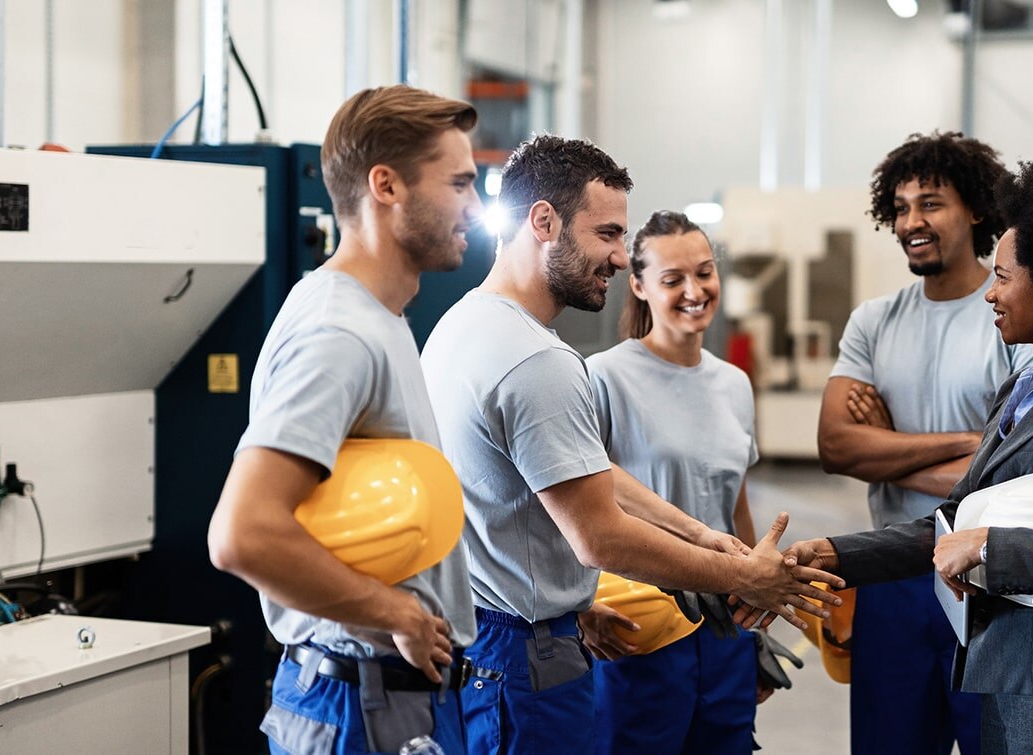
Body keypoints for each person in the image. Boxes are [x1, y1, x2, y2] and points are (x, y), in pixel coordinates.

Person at [419, 135, 842, 755]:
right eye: (608, 235)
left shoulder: (461, 326)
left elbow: (583, 471)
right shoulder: (539, 361)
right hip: (525, 657)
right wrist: (744, 576)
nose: (619, 258)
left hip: (492, 635)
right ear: (544, 222)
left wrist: (703, 535)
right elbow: (600, 537)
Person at [784, 154, 1033, 754]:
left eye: (1004, 276)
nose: (990, 293)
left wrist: (989, 547)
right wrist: (834, 554)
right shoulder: (1024, 387)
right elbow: (951, 522)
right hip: (1007, 669)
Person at [206, 85, 482, 754]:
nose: (474, 206)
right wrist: (396, 614)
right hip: (361, 703)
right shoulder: (340, 333)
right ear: (386, 185)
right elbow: (242, 533)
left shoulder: (376, 317)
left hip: (391, 696)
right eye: (460, 183)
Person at [815, 131, 1033, 755]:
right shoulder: (873, 321)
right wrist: (974, 444)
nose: (913, 220)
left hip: (986, 581)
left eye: (932, 203)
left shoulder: (1011, 318)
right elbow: (836, 447)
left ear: (975, 210)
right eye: (903, 206)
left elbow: (1015, 477)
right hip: (890, 576)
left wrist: (886, 448)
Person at [578, 210, 766, 753]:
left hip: (726, 624)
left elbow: (737, 503)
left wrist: (755, 612)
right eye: (672, 279)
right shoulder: (605, 377)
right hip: (638, 626)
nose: (694, 291)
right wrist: (580, 606)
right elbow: (567, 502)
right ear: (637, 285)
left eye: (704, 273)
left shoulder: (733, 383)